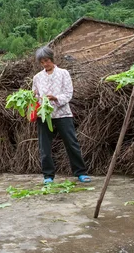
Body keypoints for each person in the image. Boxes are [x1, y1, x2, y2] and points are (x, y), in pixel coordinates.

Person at [32, 46, 91, 184]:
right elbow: (35, 94)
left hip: (63, 114)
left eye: (47, 60)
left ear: (52, 59)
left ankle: (80, 172)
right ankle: (48, 176)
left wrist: (56, 98)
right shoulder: (37, 77)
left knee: (71, 143)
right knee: (44, 146)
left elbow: (68, 94)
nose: (45, 64)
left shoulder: (64, 73)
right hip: (44, 115)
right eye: (42, 62)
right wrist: (33, 97)